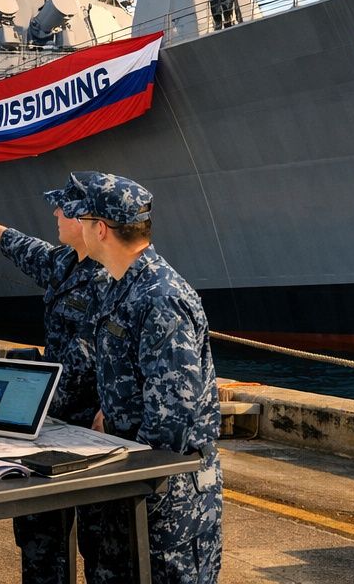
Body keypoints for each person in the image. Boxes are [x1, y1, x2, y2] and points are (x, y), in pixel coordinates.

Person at [66, 172, 223, 584]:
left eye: (82, 219)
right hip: (131, 485)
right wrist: (109, 414)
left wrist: (120, 441)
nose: (78, 225)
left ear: (100, 229)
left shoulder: (160, 297)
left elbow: (172, 416)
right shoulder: (123, 287)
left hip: (166, 494)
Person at [0, 174, 113, 584]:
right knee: (40, 536)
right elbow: (34, 252)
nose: (54, 213)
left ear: (86, 220)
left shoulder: (111, 278)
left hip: (92, 427)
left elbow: (107, 357)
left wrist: (108, 406)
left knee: (99, 539)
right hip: (52, 421)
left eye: (63, 208)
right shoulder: (66, 262)